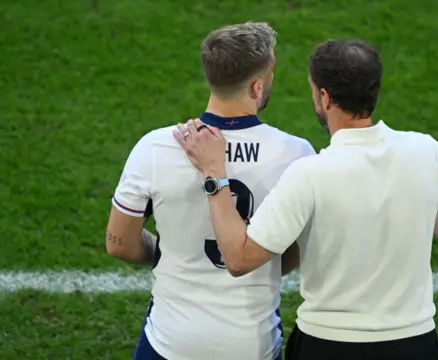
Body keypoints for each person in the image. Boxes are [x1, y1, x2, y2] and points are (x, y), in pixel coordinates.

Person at [173, 39, 438, 360]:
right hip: (413, 344)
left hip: (328, 345)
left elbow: (238, 259)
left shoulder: (309, 174)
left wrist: (213, 173)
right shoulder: (426, 152)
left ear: (324, 96)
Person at [105, 22, 315, 360]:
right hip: (252, 346)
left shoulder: (156, 148)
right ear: (257, 86)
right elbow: (300, 249)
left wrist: (165, 252)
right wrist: (262, 260)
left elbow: (120, 244)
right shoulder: (297, 154)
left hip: (170, 342)